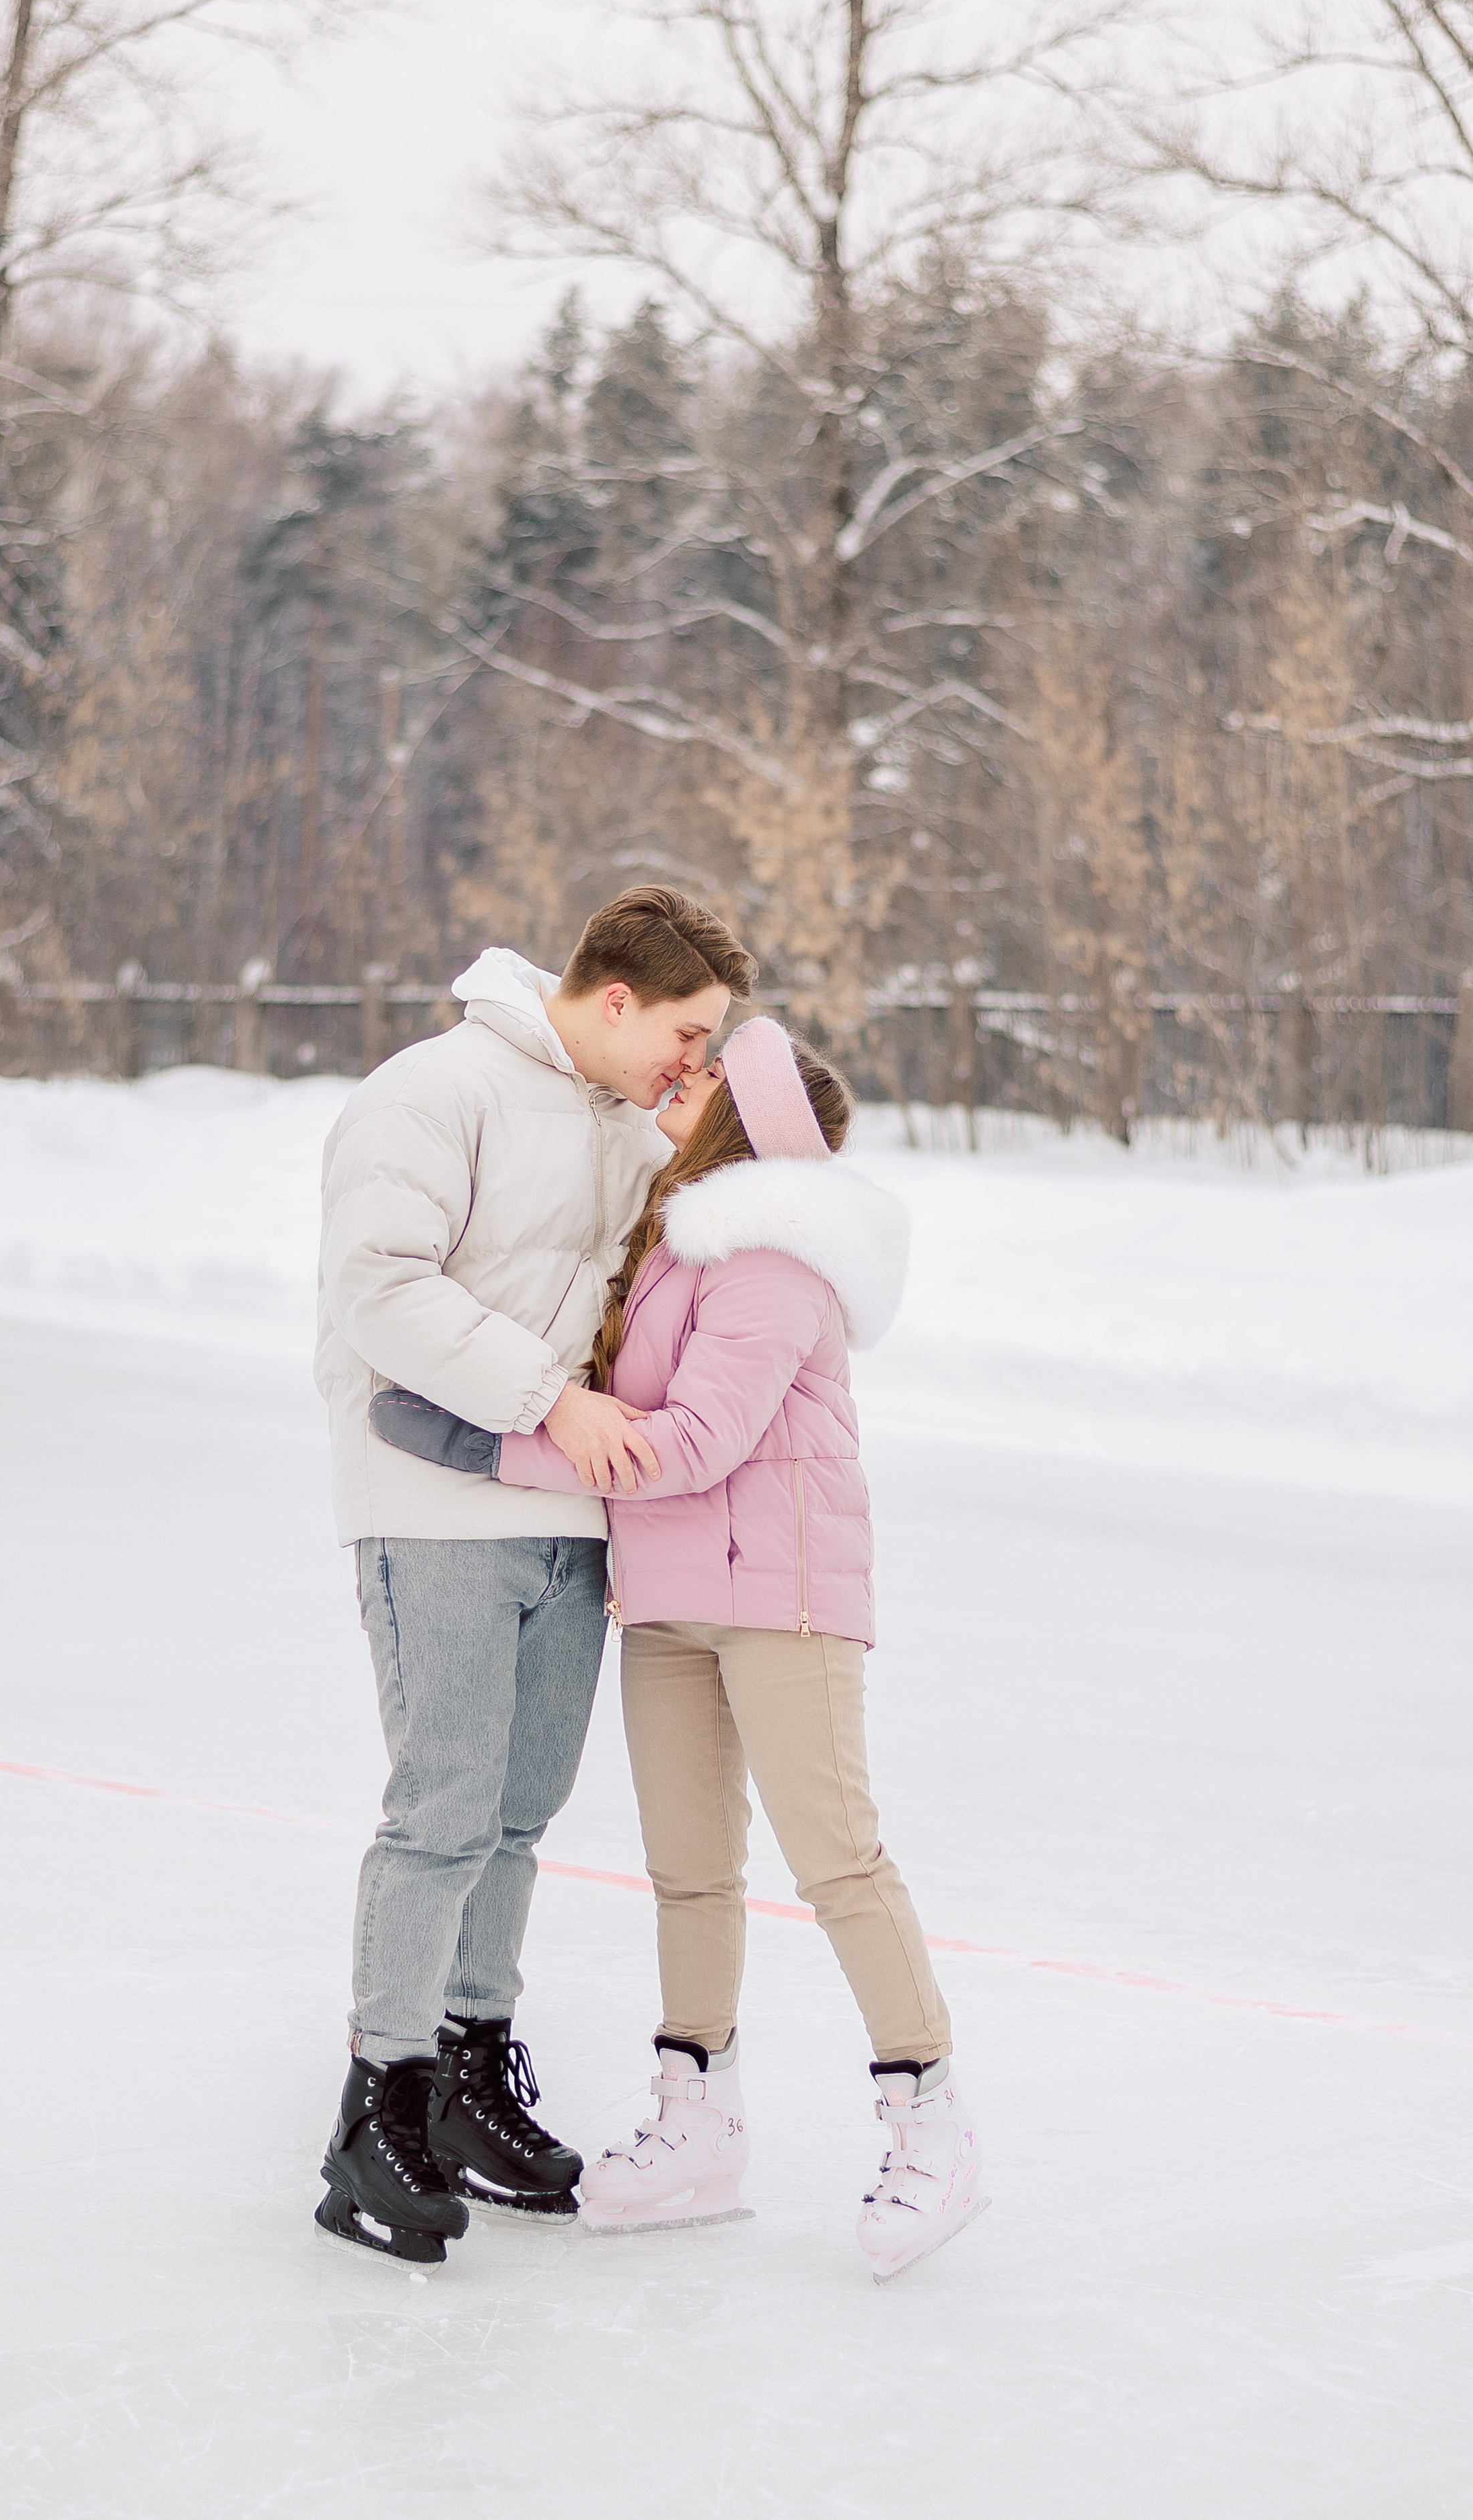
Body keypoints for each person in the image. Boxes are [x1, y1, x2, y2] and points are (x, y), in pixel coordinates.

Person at [373, 1016, 984, 2283]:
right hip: (665, 1594)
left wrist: (492, 1444)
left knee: (836, 1859)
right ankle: (697, 2114)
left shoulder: (770, 1253)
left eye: (705, 1073)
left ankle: (930, 2114)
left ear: (739, 1120)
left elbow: (695, 1441)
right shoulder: (672, 1241)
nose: (679, 1076)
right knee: (690, 1869)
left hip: (778, 1591)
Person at [312, 886, 757, 2269]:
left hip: (566, 1517)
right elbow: (378, 1283)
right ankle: (373, 2107)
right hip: (430, 1501)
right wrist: (543, 1399)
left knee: (514, 1813)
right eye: (687, 1030)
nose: (694, 1061)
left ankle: (463, 2069)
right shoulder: (432, 1091)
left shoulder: (635, 1135)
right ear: (614, 997)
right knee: (441, 1806)